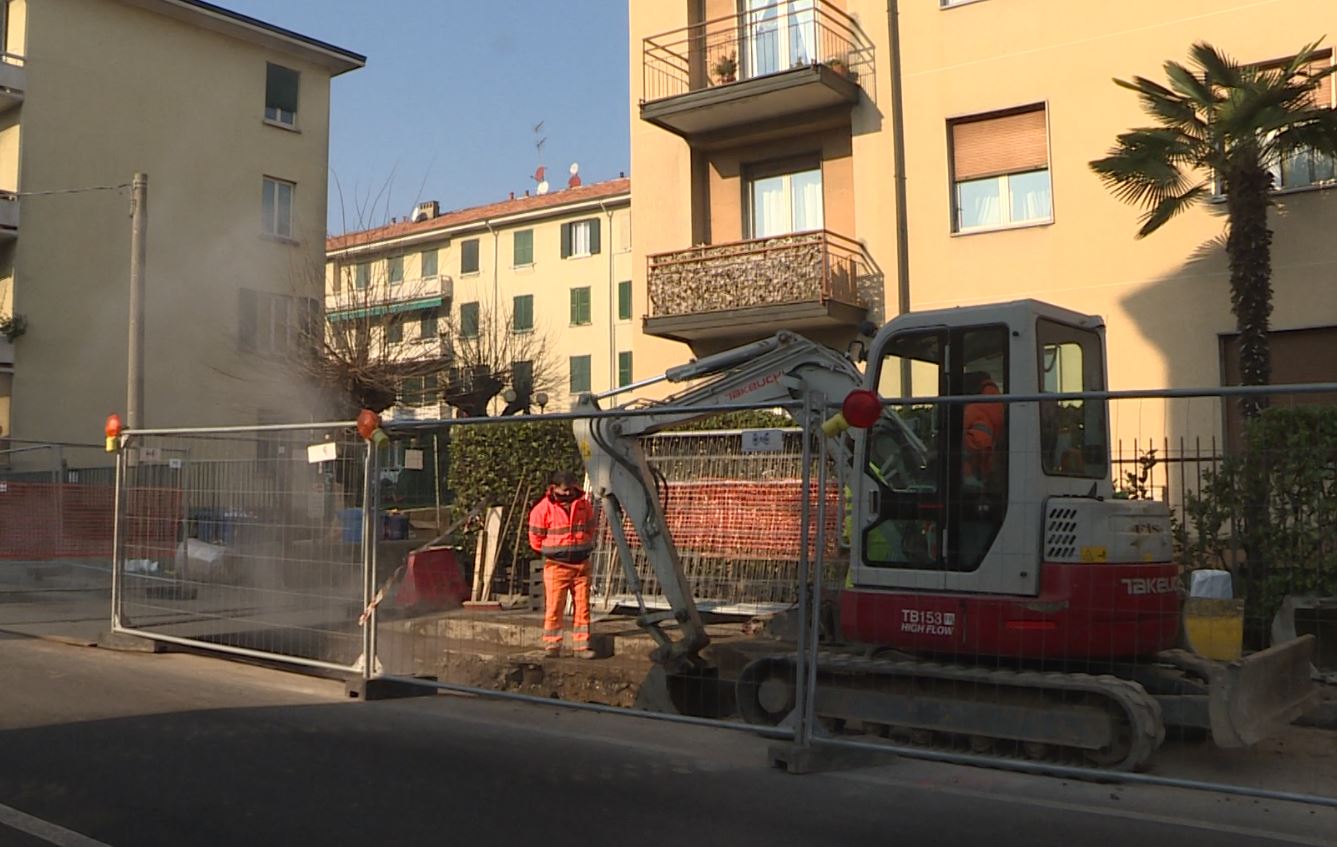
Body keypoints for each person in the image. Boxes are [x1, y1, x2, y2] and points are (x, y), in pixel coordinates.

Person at [527, 470, 597, 659]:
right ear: (554, 488)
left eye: (570, 489)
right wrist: (554, 551)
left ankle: (581, 646)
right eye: (565, 490)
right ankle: (552, 645)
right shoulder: (542, 509)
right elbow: (535, 539)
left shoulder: (584, 505)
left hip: (581, 564)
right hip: (556, 566)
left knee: (582, 607)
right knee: (554, 607)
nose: (568, 493)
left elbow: (591, 527)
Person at [962, 370, 1004, 487]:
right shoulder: (998, 404)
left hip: (974, 476)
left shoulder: (974, 409)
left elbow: (978, 442)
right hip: (991, 471)